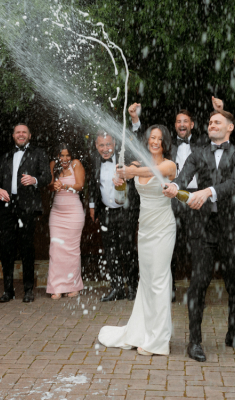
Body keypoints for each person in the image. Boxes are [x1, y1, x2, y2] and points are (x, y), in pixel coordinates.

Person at [164, 110, 235, 362]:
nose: (212, 125)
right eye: (209, 122)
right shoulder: (198, 153)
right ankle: (194, 341)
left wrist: (207, 191)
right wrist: (174, 186)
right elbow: (184, 177)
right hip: (203, 228)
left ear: (230, 127)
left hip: (233, 227)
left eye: (217, 122)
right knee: (198, 284)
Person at [128, 97, 223, 301]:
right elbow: (145, 145)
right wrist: (135, 121)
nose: (181, 125)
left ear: (192, 125)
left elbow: (220, 137)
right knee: (168, 247)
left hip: (196, 198)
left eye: (185, 121)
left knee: (198, 248)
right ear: (175, 125)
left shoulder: (203, 144)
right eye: (178, 121)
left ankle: (196, 295)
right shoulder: (167, 146)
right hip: (169, 198)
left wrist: (220, 112)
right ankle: (167, 292)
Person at [98, 125, 178, 355]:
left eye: (159, 139)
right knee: (147, 280)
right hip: (144, 229)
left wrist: (131, 172)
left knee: (160, 280)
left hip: (163, 228)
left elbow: (153, 171)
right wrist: (119, 182)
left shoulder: (168, 165)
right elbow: (122, 196)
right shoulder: (135, 166)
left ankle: (159, 341)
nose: (155, 142)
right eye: (152, 138)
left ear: (166, 143)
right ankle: (143, 331)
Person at [0, 123, 50, 303]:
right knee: (7, 249)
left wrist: (34, 180)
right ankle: (8, 291)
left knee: (27, 248)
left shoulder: (38, 153)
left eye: (24, 132)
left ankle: (28, 290)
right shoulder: (6, 155)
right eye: (18, 132)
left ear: (30, 136)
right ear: (13, 135)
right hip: (7, 207)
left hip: (27, 207)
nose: (21, 135)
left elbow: (47, 177)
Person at [88, 131, 139, 302]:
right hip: (106, 212)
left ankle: (133, 287)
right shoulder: (94, 160)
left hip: (125, 211)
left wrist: (126, 175)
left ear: (115, 143)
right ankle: (117, 288)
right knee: (110, 251)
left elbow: (138, 165)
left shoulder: (125, 158)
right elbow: (92, 183)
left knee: (127, 250)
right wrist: (92, 206)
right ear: (96, 146)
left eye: (108, 144)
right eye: (101, 145)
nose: (105, 149)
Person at [47, 144, 86, 299]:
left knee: (71, 250)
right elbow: (49, 187)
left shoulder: (76, 163)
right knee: (56, 249)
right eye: (61, 155)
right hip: (57, 213)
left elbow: (79, 186)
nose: (64, 159)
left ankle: (73, 285)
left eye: (67, 155)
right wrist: (54, 185)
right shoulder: (52, 165)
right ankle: (56, 287)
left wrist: (64, 185)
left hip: (73, 212)